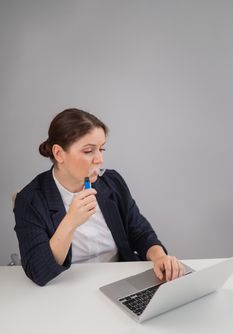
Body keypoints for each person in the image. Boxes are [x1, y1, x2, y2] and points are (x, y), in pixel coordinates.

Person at [14, 108, 185, 286]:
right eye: (88, 151)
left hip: (118, 283)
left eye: (101, 149)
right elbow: (37, 271)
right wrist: (70, 222)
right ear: (59, 153)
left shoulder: (111, 182)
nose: (99, 159)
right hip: (64, 288)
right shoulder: (30, 200)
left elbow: (140, 231)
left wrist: (159, 257)